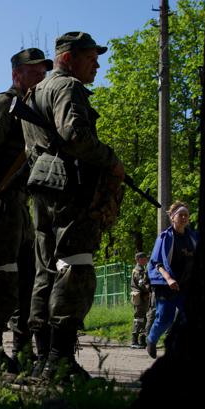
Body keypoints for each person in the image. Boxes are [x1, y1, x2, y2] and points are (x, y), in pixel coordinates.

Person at [20, 32, 125, 382]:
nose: (97, 63)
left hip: (43, 189)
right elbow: (76, 135)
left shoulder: (35, 92)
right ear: (68, 58)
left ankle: (42, 358)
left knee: (45, 271)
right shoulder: (67, 88)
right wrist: (111, 160)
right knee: (75, 268)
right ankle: (59, 361)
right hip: (71, 191)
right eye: (91, 56)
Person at [0, 47, 53, 371]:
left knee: (27, 281)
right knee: (2, 276)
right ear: (16, 74)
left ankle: (22, 350)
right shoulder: (5, 104)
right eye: (33, 72)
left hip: (21, 206)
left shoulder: (34, 110)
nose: (40, 77)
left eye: (43, 72)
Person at [145, 201, 198, 359]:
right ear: (173, 218)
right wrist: (168, 279)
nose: (183, 218)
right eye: (180, 215)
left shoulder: (193, 237)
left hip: (186, 285)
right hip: (167, 286)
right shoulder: (165, 237)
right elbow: (156, 263)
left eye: (186, 215)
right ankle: (151, 339)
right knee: (165, 319)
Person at [130, 252, 151, 348]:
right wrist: (150, 290)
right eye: (144, 258)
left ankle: (142, 340)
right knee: (139, 319)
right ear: (138, 259)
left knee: (144, 318)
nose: (146, 259)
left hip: (143, 297)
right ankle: (134, 341)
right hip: (141, 297)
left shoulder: (142, 269)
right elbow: (142, 284)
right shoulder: (138, 271)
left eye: (146, 258)